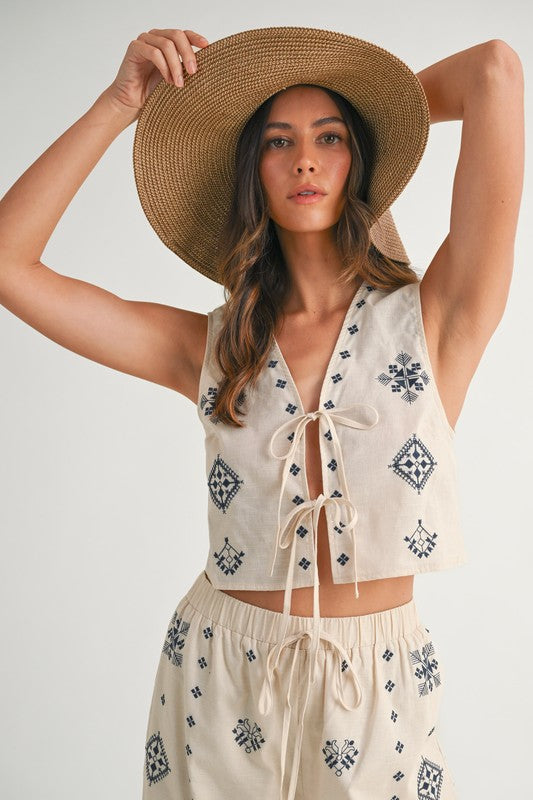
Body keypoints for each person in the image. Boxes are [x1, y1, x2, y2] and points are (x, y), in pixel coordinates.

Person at [0, 24, 523, 800]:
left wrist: (381, 122)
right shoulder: (210, 348)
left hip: (375, 689)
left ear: (355, 162)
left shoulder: (436, 323)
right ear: (254, 174)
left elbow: (494, 71)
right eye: (279, 143)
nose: (305, 159)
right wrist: (119, 103)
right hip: (221, 675)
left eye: (328, 139)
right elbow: (9, 265)